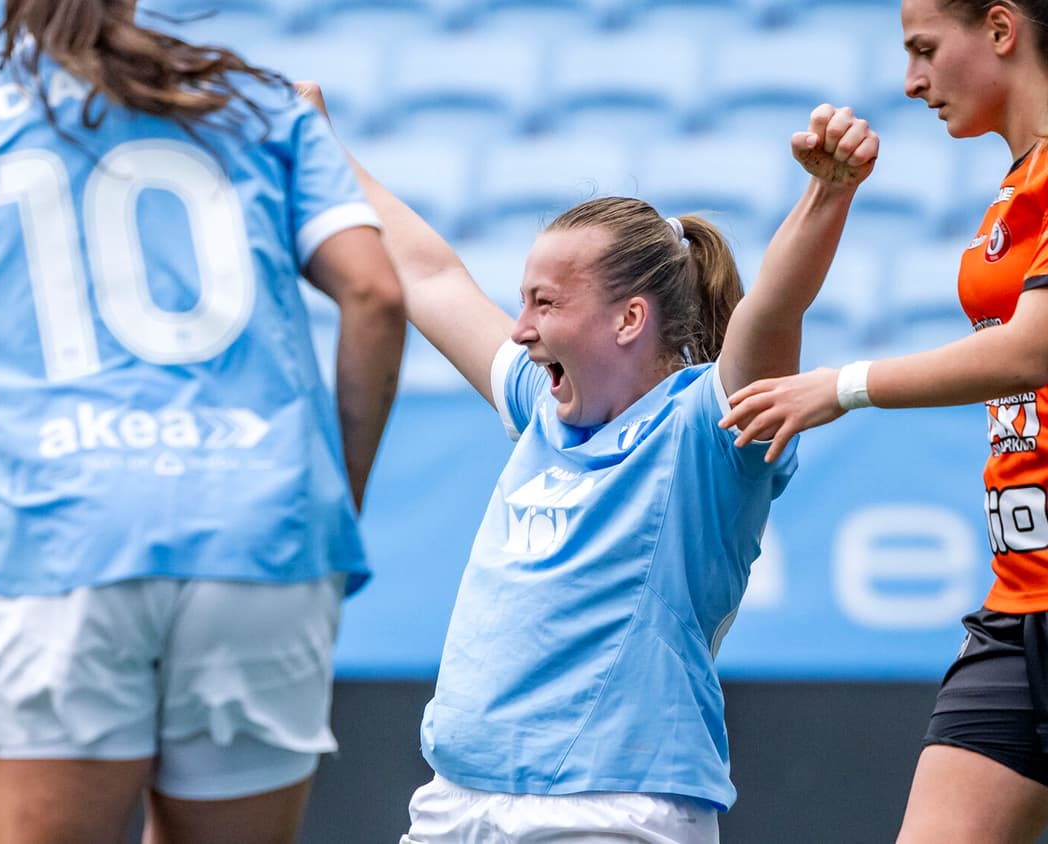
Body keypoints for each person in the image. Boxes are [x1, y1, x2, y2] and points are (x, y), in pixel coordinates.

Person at [0, 1, 406, 841]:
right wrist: (324, 506)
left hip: (59, 552)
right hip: (258, 535)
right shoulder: (259, 102)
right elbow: (375, 294)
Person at [297, 83, 877, 842]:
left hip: (610, 812)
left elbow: (772, 311)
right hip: (455, 803)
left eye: (544, 303)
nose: (520, 328)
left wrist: (826, 196)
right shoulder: (539, 408)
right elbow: (429, 275)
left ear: (629, 318)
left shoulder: (708, 428)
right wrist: (321, 144)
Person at [719, 1, 1048, 841]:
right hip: (1019, 605)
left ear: (1002, 30)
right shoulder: (1016, 189)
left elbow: (1034, 350)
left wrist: (843, 386)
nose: (911, 82)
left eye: (927, 50)